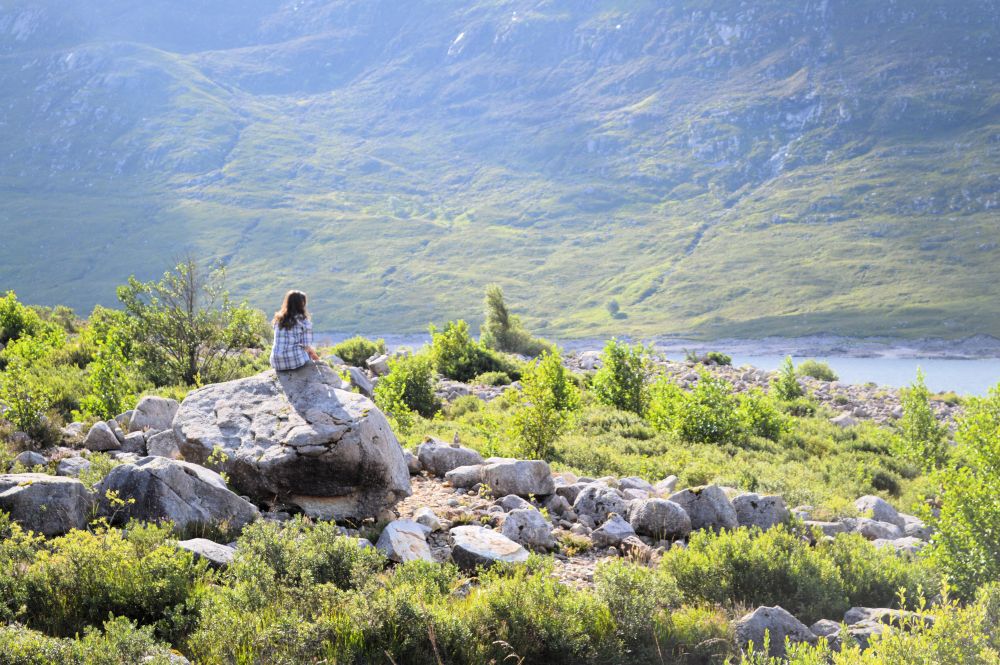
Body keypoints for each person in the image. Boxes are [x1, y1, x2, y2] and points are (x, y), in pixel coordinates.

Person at [270, 290, 320, 371]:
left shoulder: (278, 319)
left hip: (276, 361)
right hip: (295, 362)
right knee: (309, 355)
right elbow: (306, 345)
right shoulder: (304, 321)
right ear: (302, 304)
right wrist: (315, 356)